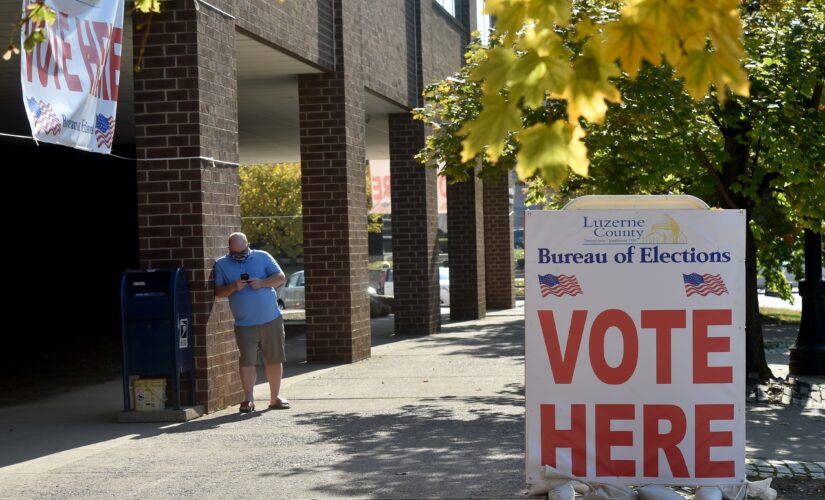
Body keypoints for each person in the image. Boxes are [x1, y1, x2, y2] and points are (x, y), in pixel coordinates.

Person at [214, 232, 290, 412]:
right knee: (247, 360)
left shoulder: (263, 257)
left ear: (249, 244)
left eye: (243, 252)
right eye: (235, 254)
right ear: (229, 249)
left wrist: (263, 282)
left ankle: (275, 397)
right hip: (244, 323)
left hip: (271, 318)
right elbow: (218, 293)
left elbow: (280, 277)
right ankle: (248, 399)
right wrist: (233, 286)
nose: (239, 257)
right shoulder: (221, 264)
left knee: (274, 357)